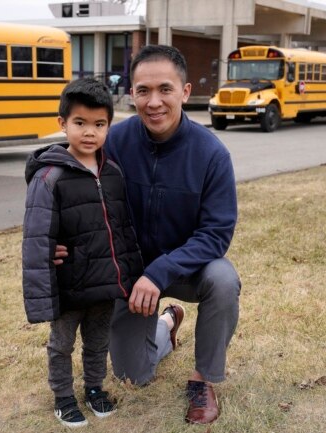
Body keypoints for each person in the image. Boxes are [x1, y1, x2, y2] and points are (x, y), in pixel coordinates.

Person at [106, 44, 240, 424]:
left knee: (223, 279)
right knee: (133, 376)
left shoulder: (212, 155)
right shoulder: (114, 142)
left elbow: (215, 234)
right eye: (142, 91)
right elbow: (75, 191)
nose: (154, 102)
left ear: (185, 91)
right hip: (131, 273)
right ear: (131, 93)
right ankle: (168, 322)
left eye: (165, 89)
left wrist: (159, 272)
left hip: (185, 271)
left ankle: (203, 379)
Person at [22, 78, 143, 428]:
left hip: (105, 283)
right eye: (80, 123)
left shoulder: (113, 173)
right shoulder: (49, 177)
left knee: (98, 340)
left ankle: (94, 388)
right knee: (61, 344)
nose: (89, 132)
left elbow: (123, 231)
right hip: (69, 283)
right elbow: (37, 238)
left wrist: (129, 277)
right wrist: (42, 295)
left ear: (109, 125)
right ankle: (62, 397)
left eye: (99, 124)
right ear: (62, 123)